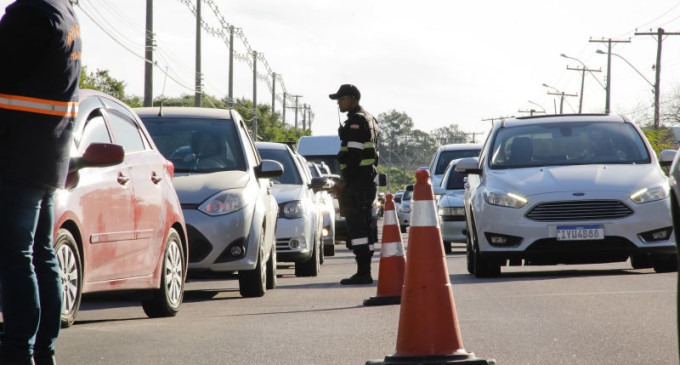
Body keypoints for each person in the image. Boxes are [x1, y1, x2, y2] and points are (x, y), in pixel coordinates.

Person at [0, 1, 81, 364]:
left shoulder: (28, 13)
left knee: (14, 253)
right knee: (39, 253)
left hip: (16, 150)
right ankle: (42, 348)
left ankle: (18, 349)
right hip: (48, 153)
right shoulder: (64, 14)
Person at [329, 84, 379, 285]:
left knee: (358, 228)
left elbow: (354, 156)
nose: (339, 103)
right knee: (365, 227)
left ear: (351, 98)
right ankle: (364, 271)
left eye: (341, 99)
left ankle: (363, 272)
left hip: (357, 184)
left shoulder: (357, 121)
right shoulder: (369, 118)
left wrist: (343, 181)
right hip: (366, 182)